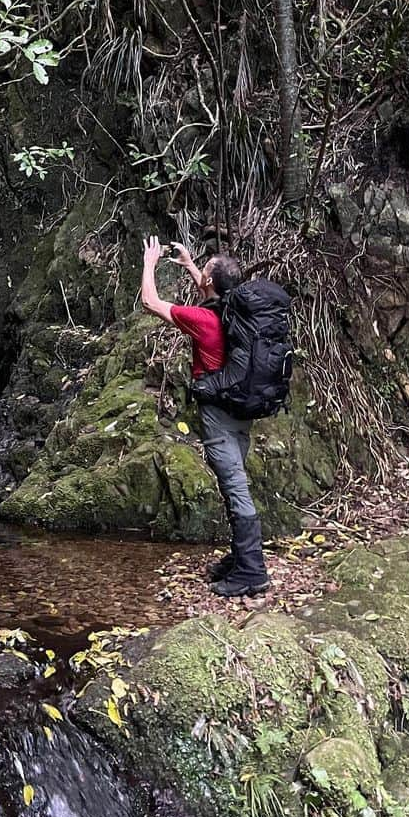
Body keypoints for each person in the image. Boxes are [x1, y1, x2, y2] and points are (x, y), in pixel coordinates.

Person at [139, 236, 270, 598]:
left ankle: (252, 572)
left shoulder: (202, 320)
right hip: (244, 409)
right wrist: (192, 265)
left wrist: (150, 262)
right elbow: (211, 290)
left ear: (211, 283)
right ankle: (241, 557)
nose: (201, 277)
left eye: (205, 272)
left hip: (218, 414)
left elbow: (151, 302)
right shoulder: (236, 312)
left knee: (234, 486)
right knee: (235, 479)